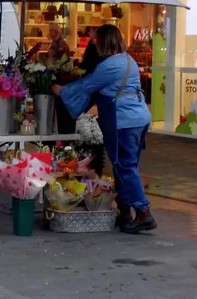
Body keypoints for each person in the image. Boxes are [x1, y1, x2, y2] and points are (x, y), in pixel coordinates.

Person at [52, 25, 155, 234]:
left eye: (97, 40)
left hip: (123, 120)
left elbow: (85, 86)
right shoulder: (129, 60)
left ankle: (144, 214)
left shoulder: (108, 66)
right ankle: (125, 212)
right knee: (123, 166)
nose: (95, 44)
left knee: (126, 167)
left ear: (105, 42)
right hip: (139, 117)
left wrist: (60, 90)